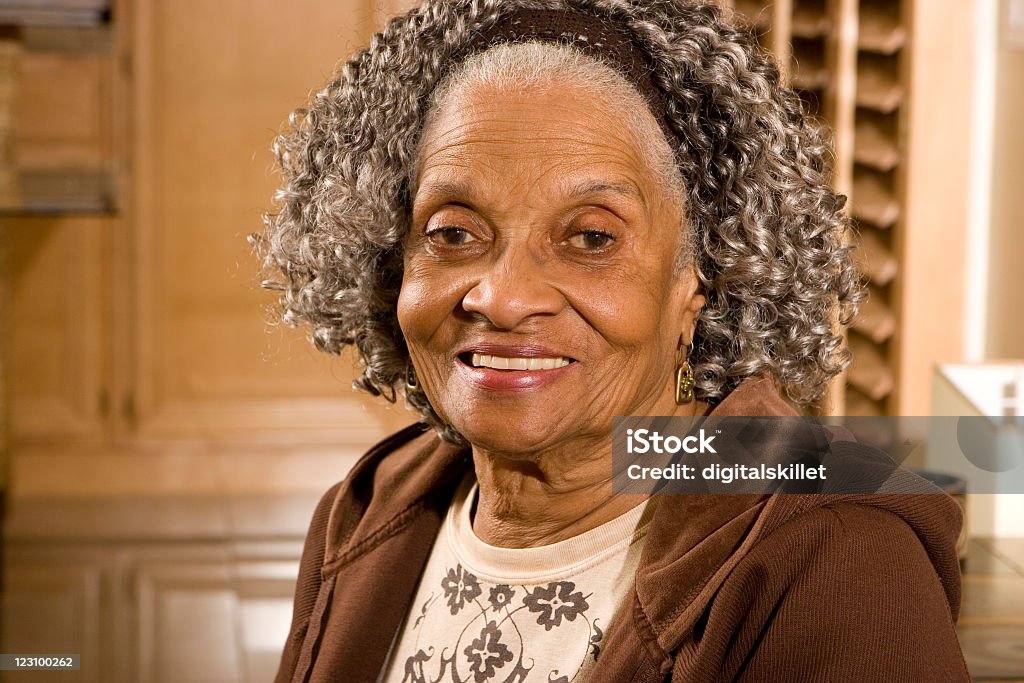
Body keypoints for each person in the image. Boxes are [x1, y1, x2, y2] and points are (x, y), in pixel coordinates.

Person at [259, 1, 969, 681]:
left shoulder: (840, 561)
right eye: (453, 232)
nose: (502, 297)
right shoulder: (365, 513)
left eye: (591, 237)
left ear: (700, 276)